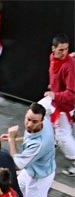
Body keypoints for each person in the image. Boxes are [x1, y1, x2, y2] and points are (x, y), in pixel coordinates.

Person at [42, 33, 75, 176]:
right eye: (61, 50)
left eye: (66, 49)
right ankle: (53, 139)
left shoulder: (68, 66)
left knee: (64, 137)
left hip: (64, 106)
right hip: (55, 101)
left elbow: (72, 93)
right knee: (38, 110)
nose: (64, 53)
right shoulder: (53, 58)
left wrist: (54, 94)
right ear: (53, 49)